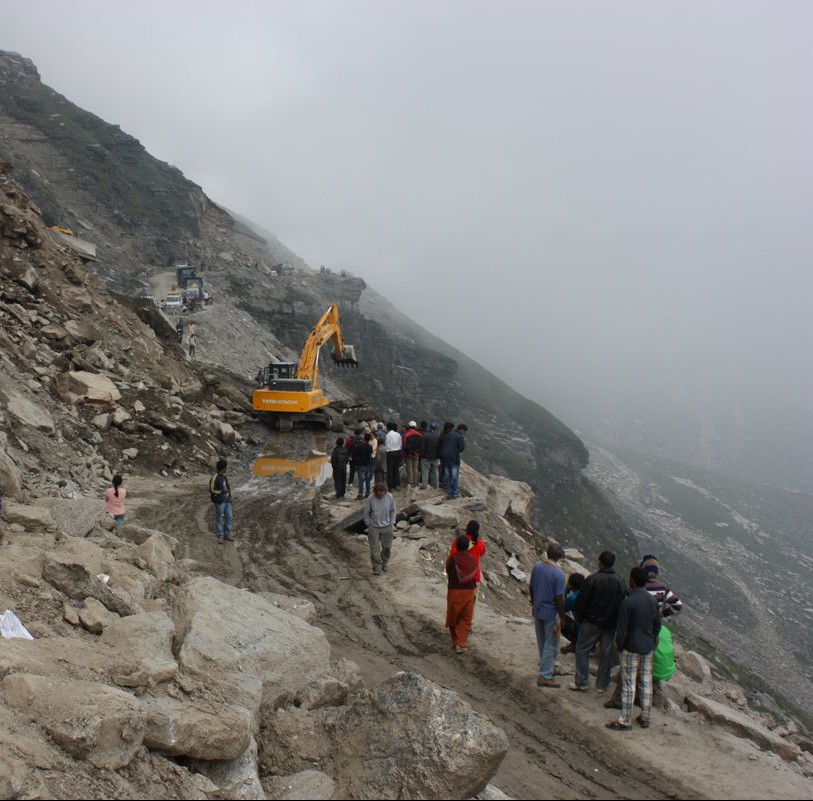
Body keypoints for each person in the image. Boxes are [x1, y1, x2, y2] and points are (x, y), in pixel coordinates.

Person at [604, 554, 683, 710]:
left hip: (634, 632)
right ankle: (641, 701)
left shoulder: (639, 587)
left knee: (627, 670)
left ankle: (620, 700)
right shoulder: (663, 588)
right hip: (652, 633)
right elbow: (678, 605)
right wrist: (660, 615)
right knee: (646, 671)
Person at [606, 567, 661, 731]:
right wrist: (651, 641)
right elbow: (657, 625)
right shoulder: (653, 601)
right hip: (647, 646)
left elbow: (622, 630)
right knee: (645, 681)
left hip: (631, 647)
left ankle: (625, 720)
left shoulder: (628, 601)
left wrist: (620, 646)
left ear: (633, 580)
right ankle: (645, 717)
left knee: (629, 683)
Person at [572, 550, 626, 692]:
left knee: (582, 649)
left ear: (600, 562)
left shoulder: (593, 579)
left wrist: (580, 618)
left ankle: (582, 682)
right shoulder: (621, 581)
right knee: (606, 653)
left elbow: (582, 601)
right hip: (610, 624)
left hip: (592, 621)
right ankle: (602, 685)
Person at [529, 543, 566, 687]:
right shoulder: (559, 574)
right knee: (551, 643)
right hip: (550, 612)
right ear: (560, 556)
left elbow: (531, 587)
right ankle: (545, 675)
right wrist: (562, 617)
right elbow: (559, 598)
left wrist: (534, 603)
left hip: (538, 608)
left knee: (542, 640)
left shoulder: (537, 566)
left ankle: (546, 665)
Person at [446, 533, 479, 653]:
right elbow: (474, 573)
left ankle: (455, 641)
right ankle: (461, 643)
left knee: (454, 617)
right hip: (468, 592)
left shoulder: (452, 559)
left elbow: (448, 571)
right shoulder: (471, 559)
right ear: (467, 547)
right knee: (465, 619)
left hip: (454, 591)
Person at [363, 483, 396, 575]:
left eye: (383, 494)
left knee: (387, 547)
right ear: (375, 493)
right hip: (374, 527)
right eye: (379, 494)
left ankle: (384, 563)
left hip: (387, 526)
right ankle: (376, 566)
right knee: (375, 549)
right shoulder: (371, 498)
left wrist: (392, 521)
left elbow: (393, 510)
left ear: (385, 492)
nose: (381, 496)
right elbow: (366, 513)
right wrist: (368, 524)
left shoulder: (389, 497)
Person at [439, 423, 467, 499]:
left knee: (447, 475)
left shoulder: (449, 434)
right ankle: (455, 493)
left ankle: (448, 491)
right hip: (454, 458)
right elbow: (461, 448)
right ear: (462, 430)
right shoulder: (459, 437)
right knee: (455, 476)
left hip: (445, 457)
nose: (464, 433)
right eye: (464, 431)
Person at [209, 458, 234, 543]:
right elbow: (211, 490)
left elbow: (228, 487)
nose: (227, 469)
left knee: (229, 517)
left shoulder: (224, 477)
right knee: (219, 519)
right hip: (219, 502)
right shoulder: (214, 478)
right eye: (226, 467)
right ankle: (220, 536)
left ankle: (227, 534)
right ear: (223, 468)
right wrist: (222, 491)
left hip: (226, 501)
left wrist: (230, 495)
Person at [560, 572, 585, 653]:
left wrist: (566, 589)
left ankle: (576, 643)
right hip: (593, 627)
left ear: (571, 585)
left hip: (582, 630)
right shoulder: (586, 592)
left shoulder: (573, 598)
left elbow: (561, 609)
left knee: (561, 619)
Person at [402, 421, 423, 487]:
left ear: (409, 426)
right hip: (417, 454)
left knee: (409, 468)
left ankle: (410, 482)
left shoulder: (406, 434)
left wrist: (407, 453)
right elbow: (421, 445)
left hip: (409, 455)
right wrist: (417, 453)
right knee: (415, 468)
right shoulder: (420, 434)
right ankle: (415, 482)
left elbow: (404, 445)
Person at [420, 421, 440, 489]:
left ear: (430, 428)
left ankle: (424, 485)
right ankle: (436, 485)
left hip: (425, 457)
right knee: (435, 471)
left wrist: (422, 455)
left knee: (425, 472)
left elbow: (422, 447)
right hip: (435, 457)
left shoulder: (425, 436)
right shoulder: (438, 437)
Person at [354, 433, 374, 499]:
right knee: (368, 480)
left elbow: (356, 455)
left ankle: (360, 494)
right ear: (369, 439)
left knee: (361, 480)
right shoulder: (370, 447)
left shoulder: (359, 446)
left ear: (364, 438)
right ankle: (367, 494)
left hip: (361, 465)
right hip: (368, 465)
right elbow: (371, 455)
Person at [384, 422, 402, 491]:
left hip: (390, 453)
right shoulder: (398, 434)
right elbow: (400, 444)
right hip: (398, 452)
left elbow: (387, 446)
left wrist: (387, 453)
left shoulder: (388, 435)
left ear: (389, 428)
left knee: (390, 470)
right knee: (396, 469)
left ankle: (390, 486)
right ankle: (397, 485)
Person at [438, 421, 455, 490]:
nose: (452, 430)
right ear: (448, 428)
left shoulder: (443, 435)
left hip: (444, 455)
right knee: (445, 469)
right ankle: (443, 483)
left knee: (444, 469)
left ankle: (443, 482)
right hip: (445, 456)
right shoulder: (445, 436)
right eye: (451, 429)